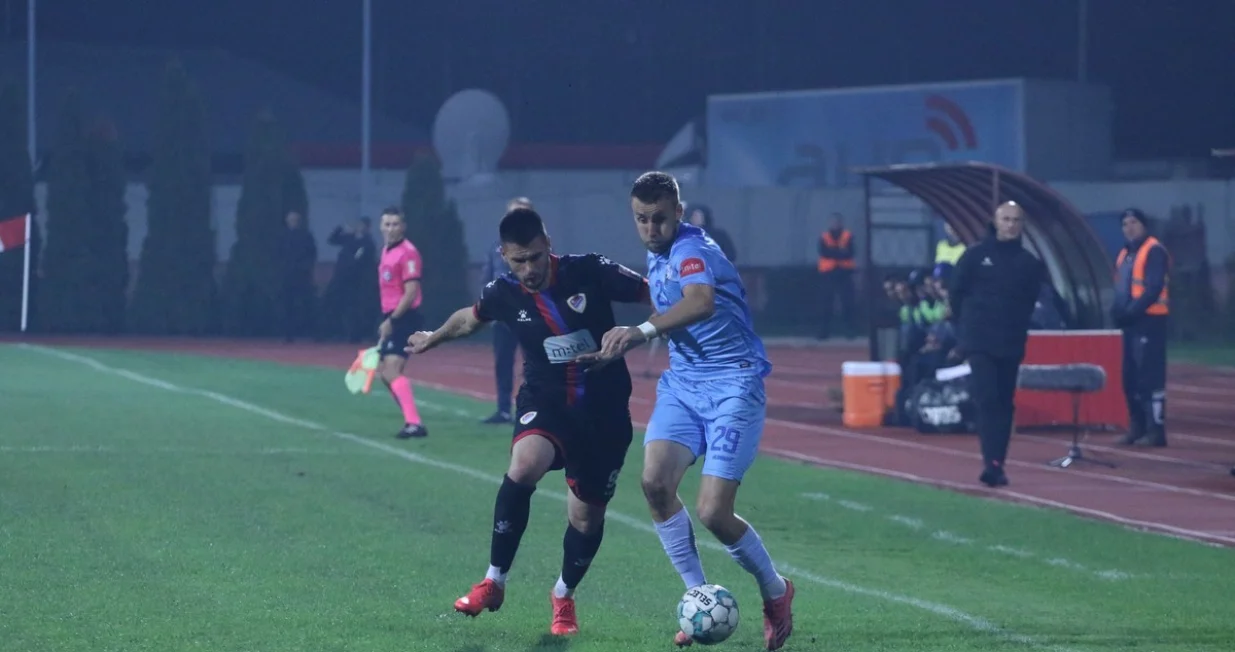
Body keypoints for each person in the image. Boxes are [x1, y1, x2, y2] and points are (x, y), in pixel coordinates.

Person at [404, 207, 651, 637]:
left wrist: (644, 330)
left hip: (605, 411)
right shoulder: (503, 292)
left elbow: (656, 292)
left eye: (536, 257)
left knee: (586, 518)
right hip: (546, 399)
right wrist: (434, 337)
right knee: (523, 466)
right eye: (519, 260)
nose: (529, 269)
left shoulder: (588, 270)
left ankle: (563, 595)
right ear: (504, 255)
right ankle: (493, 581)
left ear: (547, 244)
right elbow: (470, 318)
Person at [578, 172, 795, 651]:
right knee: (655, 484)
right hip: (683, 385)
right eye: (641, 219)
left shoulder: (691, 250)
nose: (650, 228)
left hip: (733, 384)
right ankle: (699, 598)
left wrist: (640, 332)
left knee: (714, 512)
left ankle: (776, 591)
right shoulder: (659, 254)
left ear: (679, 212)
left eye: (659, 218)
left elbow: (700, 301)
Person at [948, 201, 1047, 487]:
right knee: (987, 398)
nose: (1011, 225)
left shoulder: (1029, 263)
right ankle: (990, 461)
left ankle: (997, 463)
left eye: (1016, 220)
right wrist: (966, 328)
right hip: (979, 340)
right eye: (1006, 219)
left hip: (1010, 341)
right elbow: (956, 293)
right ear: (995, 221)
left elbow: (1030, 299)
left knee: (1004, 402)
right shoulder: (975, 255)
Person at [1111, 208, 1170, 448]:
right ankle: (1137, 426)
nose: (1129, 227)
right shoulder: (1125, 253)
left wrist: (1132, 311)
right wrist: (1117, 312)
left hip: (1150, 322)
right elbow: (1120, 288)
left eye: (1134, 222)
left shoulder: (1154, 250)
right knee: (1130, 377)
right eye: (1125, 224)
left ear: (1144, 225)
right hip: (1131, 323)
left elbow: (1153, 288)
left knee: (1149, 378)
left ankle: (1155, 431)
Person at [479, 197, 534, 424]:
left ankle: (534, 410)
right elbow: (487, 277)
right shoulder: (496, 246)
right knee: (502, 363)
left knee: (535, 364)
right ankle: (503, 410)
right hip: (502, 316)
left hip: (531, 315)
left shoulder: (540, 246)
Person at [375, 206, 427, 439]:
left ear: (403, 227)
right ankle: (412, 421)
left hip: (404, 317)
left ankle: (414, 424)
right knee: (386, 374)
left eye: (395, 224)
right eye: (387, 224)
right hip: (392, 315)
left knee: (391, 371)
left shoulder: (408, 253)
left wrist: (393, 320)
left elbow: (411, 291)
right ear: (381, 226)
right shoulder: (387, 250)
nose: (391, 228)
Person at [816, 212, 856, 340]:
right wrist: (840, 252)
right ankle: (824, 332)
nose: (835, 224)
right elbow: (824, 252)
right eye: (833, 222)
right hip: (828, 274)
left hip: (844, 273)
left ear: (841, 223)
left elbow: (850, 253)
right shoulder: (824, 237)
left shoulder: (848, 236)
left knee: (847, 302)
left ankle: (850, 331)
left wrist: (834, 253)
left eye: (837, 222)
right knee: (826, 303)